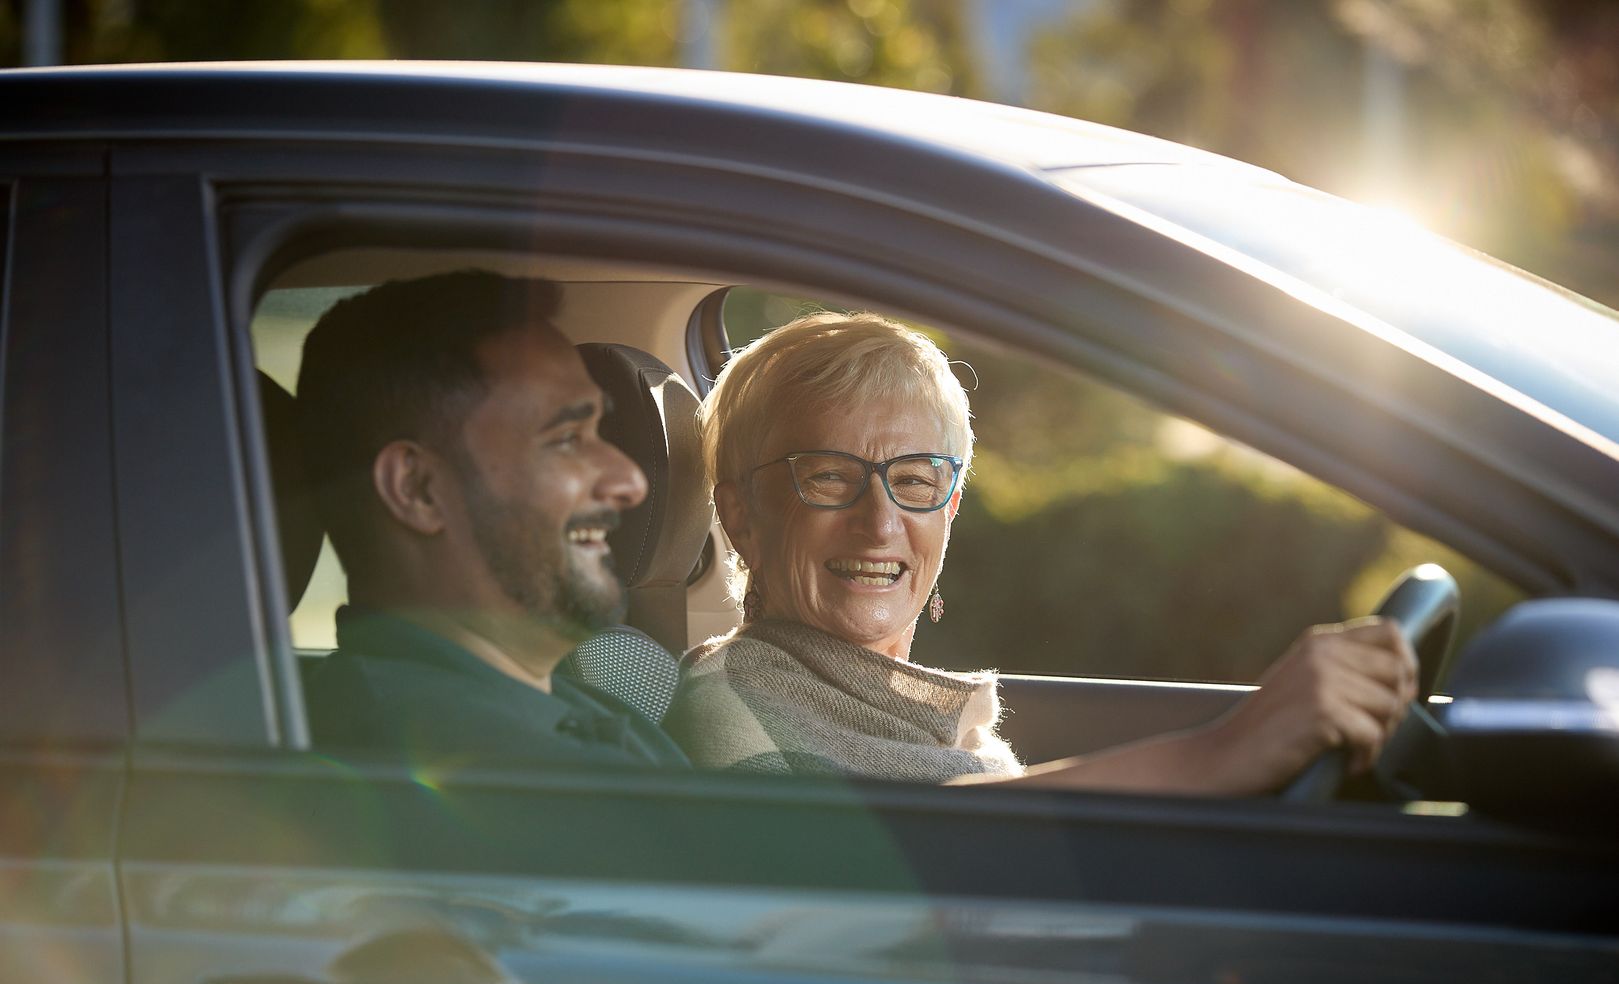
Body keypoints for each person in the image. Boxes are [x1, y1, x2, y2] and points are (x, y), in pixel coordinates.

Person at [664, 312, 1418, 794]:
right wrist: (1219, 757)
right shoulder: (728, 707)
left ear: (950, 510)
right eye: (829, 478)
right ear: (742, 516)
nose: (880, 522)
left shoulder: (889, 708)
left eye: (915, 480)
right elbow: (859, 873)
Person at [294, 270, 685, 768]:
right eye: (566, 438)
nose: (631, 481)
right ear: (418, 489)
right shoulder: (470, 765)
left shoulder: (571, 709)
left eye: (598, 431)